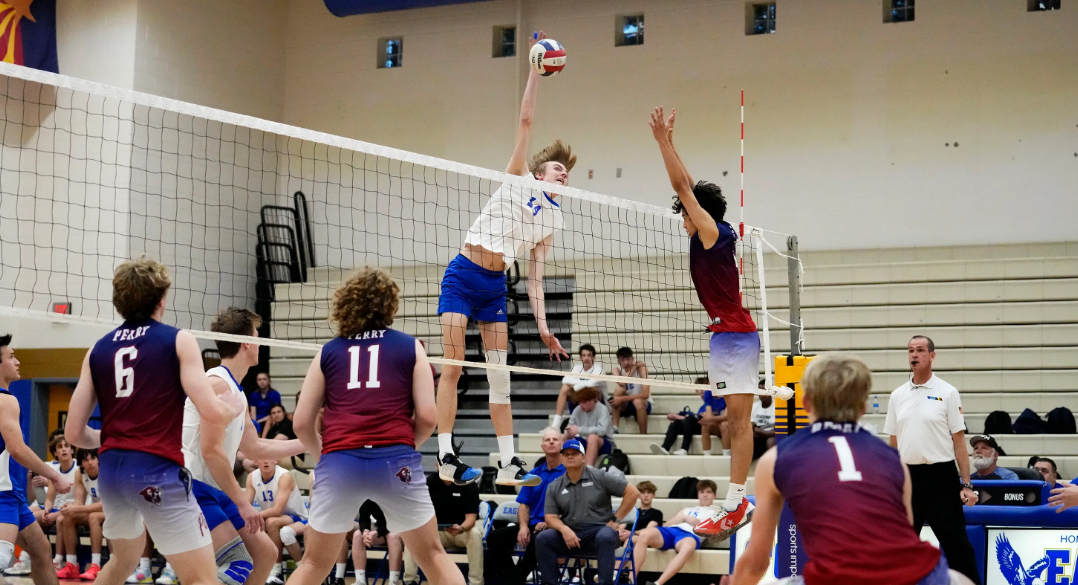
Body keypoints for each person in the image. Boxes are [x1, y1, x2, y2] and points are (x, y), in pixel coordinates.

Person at [434, 30, 572, 487]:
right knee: (453, 367)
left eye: (567, 173)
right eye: (557, 168)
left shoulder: (551, 222)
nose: (563, 174)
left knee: (500, 378)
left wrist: (546, 329)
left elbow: (534, 280)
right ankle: (446, 455)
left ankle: (510, 462)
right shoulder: (516, 178)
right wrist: (536, 74)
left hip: (495, 287)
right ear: (538, 173)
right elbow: (527, 121)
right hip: (463, 275)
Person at [64, 257, 247, 585]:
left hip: (112, 476)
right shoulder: (178, 340)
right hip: (156, 474)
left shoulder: (97, 349)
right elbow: (211, 410)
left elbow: (73, 432)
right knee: (203, 578)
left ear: (119, 301)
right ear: (162, 299)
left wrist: (111, 440)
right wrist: (231, 409)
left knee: (123, 560)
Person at [287, 267, 466, 585]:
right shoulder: (412, 347)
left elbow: (301, 422)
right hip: (395, 461)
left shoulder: (328, 351)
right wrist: (405, 445)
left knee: (314, 564)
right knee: (434, 558)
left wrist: (324, 455)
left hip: (340, 462)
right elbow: (427, 417)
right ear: (390, 305)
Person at [731, 353, 975, 585]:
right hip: (916, 576)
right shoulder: (894, 460)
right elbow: (905, 535)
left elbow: (756, 564)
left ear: (805, 403)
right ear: (863, 407)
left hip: (837, 579)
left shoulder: (776, 459)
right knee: (962, 579)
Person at [648, 106, 767, 539]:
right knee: (735, 424)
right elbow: (689, 186)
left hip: (735, 336)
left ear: (698, 213)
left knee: (738, 424)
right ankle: (736, 503)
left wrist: (662, 142)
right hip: (726, 336)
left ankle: (736, 504)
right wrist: (673, 144)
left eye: (686, 212)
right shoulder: (714, 233)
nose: (683, 218)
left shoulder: (712, 231)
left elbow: (684, 187)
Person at [884, 336, 981, 584]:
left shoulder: (948, 392)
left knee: (957, 545)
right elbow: (893, 443)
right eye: (910, 351)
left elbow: (959, 441)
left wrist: (966, 484)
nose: (914, 355)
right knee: (898, 547)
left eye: (919, 350)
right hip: (908, 478)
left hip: (941, 477)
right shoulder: (897, 395)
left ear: (932, 356)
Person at [0, 333, 71, 585]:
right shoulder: (6, 400)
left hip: (14, 495)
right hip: (3, 492)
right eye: (11, 357)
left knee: (41, 552)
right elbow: (17, 449)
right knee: (1, 558)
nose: (17, 361)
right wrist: (54, 475)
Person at [537, 438, 639, 585]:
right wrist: (564, 529)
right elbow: (550, 517)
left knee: (605, 536)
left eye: (575, 453)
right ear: (561, 458)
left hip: (599, 532)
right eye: (566, 454)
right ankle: (550, 582)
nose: (570, 456)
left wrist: (615, 520)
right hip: (570, 536)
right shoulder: (554, 486)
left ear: (584, 457)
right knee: (543, 538)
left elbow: (633, 492)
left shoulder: (599, 476)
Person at [486, 428, 566, 585]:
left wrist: (551, 522)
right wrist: (523, 526)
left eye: (555, 439)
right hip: (533, 524)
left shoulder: (568, 473)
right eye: (547, 440)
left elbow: (572, 507)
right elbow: (524, 505)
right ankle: (511, 578)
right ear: (542, 447)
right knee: (494, 538)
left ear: (562, 445)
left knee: (539, 539)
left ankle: (515, 580)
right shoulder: (534, 474)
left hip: (556, 527)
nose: (551, 442)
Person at [403, 473, 483, 585]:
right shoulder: (429, 482)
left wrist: (461, 528)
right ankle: (410, 581)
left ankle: (476, 582)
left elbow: (471, 517)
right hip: (436, 533)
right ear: (437, 465)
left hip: (461, 532)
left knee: (475, 534)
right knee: (412, 536)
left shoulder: (468, 483)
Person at [631, 480, 717, 585]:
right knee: (644, 535)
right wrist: (684, 518)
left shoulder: (717, 512)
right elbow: (667, 524)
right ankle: (631, 580)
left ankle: (657, 583)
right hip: (671, 530)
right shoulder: (687, 510)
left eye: (708, 492)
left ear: (714, 495)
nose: (705, 495)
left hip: (690, 535)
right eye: (702, 492)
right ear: (698, 494)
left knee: (688, 547)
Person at [247, 459, 308, 585]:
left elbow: (277, 510)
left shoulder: (284, 476)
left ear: (275, 460)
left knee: (271, 522)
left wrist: (253, 516)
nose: (266, 461)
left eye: (269, 457)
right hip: (273, 518)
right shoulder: (252, 477)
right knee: (250, 525)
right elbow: (246, 505)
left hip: (297, 517)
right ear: (255, 461)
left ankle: (276, 570)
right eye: (262, 458)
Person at [55, 448, 107, 580]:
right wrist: (70, 507)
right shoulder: (80, 474)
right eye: (85, 459)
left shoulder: (106, 471)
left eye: (93, 458)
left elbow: (105, 504)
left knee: (93, 517)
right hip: (98, 509)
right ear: (81, 463)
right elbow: (79, 500)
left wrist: (77, 509)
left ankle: (95, 565)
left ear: (98, 460)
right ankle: (71, 565)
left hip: (116, 510)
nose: (90, 463)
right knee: (67, 517)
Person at [651, 377, 726, 456]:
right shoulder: (703, 406)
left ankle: (684, 449)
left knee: (689, 419)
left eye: (702, 389)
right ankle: (665, 448)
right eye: (698, 390)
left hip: (712, 427)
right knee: (676, 423)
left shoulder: (719, 398)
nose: (701, 392)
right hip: (702, 426)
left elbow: (725, 385)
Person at [37, 434, 77, 573]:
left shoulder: (78, 469)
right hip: (58, 508)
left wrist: (55, 514)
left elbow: (79, 503)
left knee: (60, 518)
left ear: (72, 450)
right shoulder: (54, 472)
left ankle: (58, 560)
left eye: (67, 446)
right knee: (28, 515)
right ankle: (28, 557)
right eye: (60, 447)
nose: (64, 449)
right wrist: (47, 510)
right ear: (55, 453)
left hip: (75, 509)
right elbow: (50, 498)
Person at [552, 344, 604, 429]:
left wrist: (575, 386)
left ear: (593, 358)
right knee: (565, 388)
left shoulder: (599, 369)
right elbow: (565, 380)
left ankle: (591, 422)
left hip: (596, 400)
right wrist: (581, 384)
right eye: (584, 355)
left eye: (589, 355)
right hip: (578, 398)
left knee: (593, 389)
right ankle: (556, 424)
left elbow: (592, 384)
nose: (586, 358)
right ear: (580, 358)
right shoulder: (577, 368)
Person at [353, 500, 404, 585]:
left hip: (399, 527)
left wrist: (377, 532)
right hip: (381, 528)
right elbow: (364, 517)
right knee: (358, 535)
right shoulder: (369, 495)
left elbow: (397, 520)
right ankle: (360, 580)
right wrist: (365, 531)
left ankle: (394, 581)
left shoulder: (393, 494)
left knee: (392, 537)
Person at [565, 387, 614, 467]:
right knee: (563, 438)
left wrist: (579, 430)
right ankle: (563, 468)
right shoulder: (578, 409)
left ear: (594, 400)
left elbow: (602, 431)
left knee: (592, 437)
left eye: (585, 402)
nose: (581, 405)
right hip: (584, 440)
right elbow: (569, 426)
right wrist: (568, 432)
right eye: (580, 402)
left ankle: (588, 469)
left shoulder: (602, 409)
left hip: (604, 443)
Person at [610, 347, 651, 434]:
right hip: (627, 405)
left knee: (637, 401)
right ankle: (615, 428)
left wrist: (622, 399)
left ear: (632, 359)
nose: (626, 362)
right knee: (618, 390)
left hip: (643, 403)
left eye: (628, 359)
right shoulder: (617, 370)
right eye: (622, 360)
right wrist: (633, 368)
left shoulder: (641, 368)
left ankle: (643, 435)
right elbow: (622, 382)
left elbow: (645, 394)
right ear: (618, 361)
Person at [751, 391, 776, 459]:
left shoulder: (777, 406)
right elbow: (750, 427)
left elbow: (779, 431)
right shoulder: (754, 406)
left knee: (770, 441)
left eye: (765, 392)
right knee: (747, 439)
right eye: (761, 392)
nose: (763, 395)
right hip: (758, 436)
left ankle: (772, 466)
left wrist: (761, 432)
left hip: (772, 435)